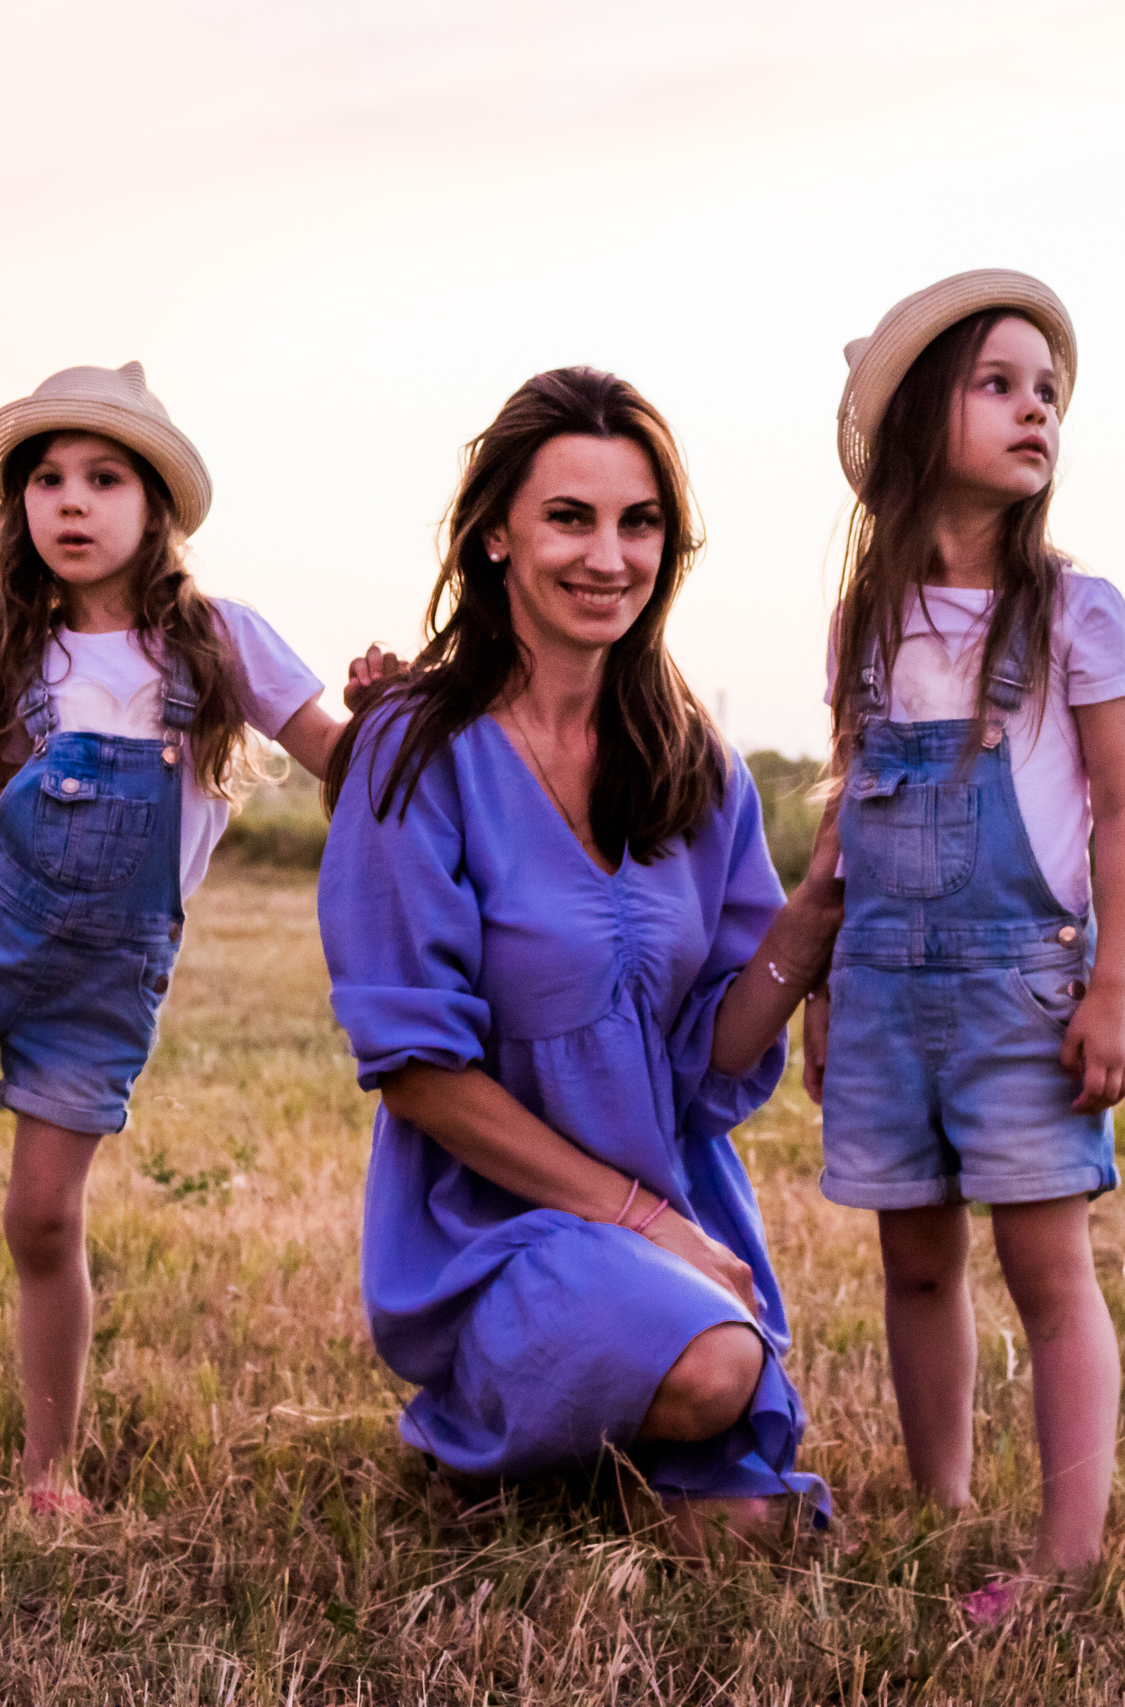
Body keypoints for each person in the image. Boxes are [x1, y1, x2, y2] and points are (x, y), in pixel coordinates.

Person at [0, 362, 387, 1514]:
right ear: (22, 513)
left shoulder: (219, 639)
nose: (72, 503)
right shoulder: (21, 653)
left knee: (41, 1216)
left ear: (155, 507)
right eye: (47, 482)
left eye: (102, 479)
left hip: (112, 968)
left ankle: (51, 1477)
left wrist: (391, 712)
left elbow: (342, 758)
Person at [319, 366, 844, 1552]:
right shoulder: (414, 752)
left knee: (745, 1533)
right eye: (571, 517)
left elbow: (708, 1060)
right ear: (495, 532)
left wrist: (814, 911)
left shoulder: (692, 761)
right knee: (712, 1369)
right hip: (497, 1232)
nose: (609, 555)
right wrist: (641, 1223)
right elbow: (414, 1068)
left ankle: (594, 1459)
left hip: (669, 1224)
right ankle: (486, 1419)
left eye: (639, 521)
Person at [807, 271, 1125, 1617]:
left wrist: (1112, 985)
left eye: (1048, 393)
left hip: (1024, 983)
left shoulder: (1078, 611)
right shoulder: (867, 624)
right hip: (887, 985)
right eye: (1000, 385)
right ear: (915, 424)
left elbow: (1124, 808)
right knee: (913, 1257)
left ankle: (1070, 1554)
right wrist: (827, 981)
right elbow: (850, 811)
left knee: (1044, 1267)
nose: (1035, 411)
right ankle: (938, 1502)